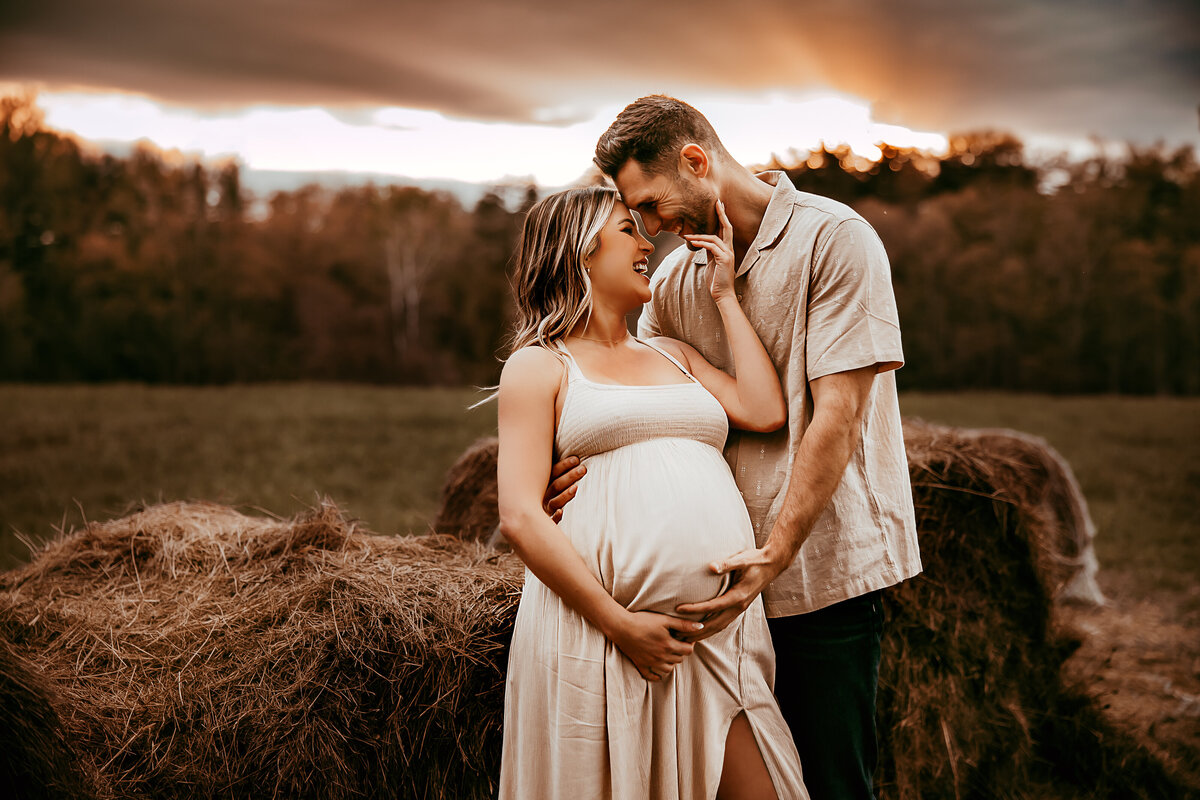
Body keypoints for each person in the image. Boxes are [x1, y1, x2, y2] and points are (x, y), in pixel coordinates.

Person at [545, 95, 922, 800]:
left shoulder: (836, 241)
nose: (651, 230)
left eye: (651, 205)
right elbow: (633, 393)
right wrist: (564, 475)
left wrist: (774, 554)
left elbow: (834, 417)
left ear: (696, 160)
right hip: (715, 595)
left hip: (818, 582)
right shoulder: (677, 283)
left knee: (834, 784)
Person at [496, 185, 808, 799]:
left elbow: (765, 408)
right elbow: (521, 516)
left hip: (713, 639)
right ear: (581, 251)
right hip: (600, 634)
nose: (649, 243)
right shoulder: (540, 366)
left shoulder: (673, 354)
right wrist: (620, 624)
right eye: (627, 231)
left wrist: (725, 296)